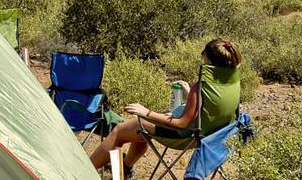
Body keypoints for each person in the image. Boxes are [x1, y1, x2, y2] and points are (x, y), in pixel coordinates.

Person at [88, 38, 241, 175]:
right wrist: (190, 95)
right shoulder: (232, 82)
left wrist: (146, 112)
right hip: (212, 138)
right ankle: (125, 168)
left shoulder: (201, 85)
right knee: (137, 131)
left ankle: (85, 170)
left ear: (208, 59)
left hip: (184, 136)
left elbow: (182, 124)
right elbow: (211, 109)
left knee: (120, 130)